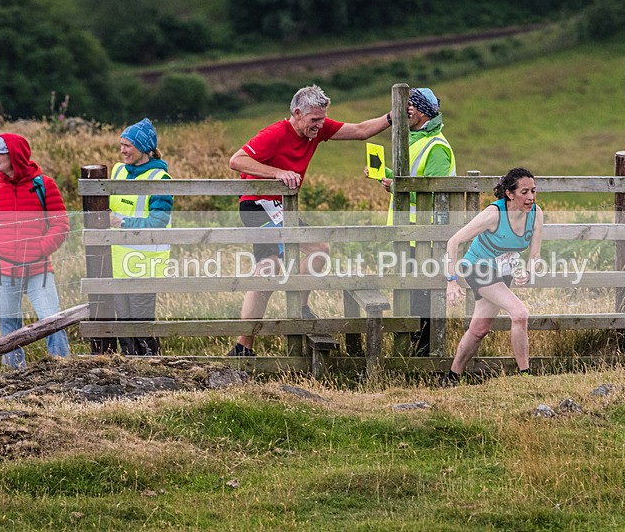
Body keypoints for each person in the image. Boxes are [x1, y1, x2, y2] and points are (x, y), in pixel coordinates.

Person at [228, 84, 392, 356]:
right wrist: (277, 173)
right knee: (289, 262)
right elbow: (237, 160)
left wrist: (391, 117)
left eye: (322, 119)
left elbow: (361, 130)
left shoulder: (318, 129)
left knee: (296, 260)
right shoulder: (274, 134)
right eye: (314, 119)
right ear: (297, 113)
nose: (319, 125)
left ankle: (284, 317)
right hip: (258, 206)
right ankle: (257, 337)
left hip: (282, 207)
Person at [0, 133, 71, 369]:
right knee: (9, 329)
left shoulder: (44, 185)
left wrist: (39, 249)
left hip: (39, 270)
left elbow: (61, 224)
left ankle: (64, 372)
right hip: (1, 270)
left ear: (16, 155)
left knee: (52, 320)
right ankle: (14, 377)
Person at [369, 87, 456, 356]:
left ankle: (424, 357)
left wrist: (395, 187)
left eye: (409, 107)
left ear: (420, 111)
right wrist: (384, 175)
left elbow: (435, 191)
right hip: (409, 234)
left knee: (423, 298)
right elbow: (408, 180)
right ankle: (410, 356)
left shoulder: (437, 147)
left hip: (426, 237)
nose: (404, 112)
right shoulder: (414, 139)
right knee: (410, 295)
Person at [442, 168, 543, 384]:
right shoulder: (494, 215)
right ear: (509, 194)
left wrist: (527, 272)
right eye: (524, 192)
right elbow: (453, 242)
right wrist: (451, 282)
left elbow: (535, 256)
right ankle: (525, 376)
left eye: (533, 191)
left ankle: (451, 377)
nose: (531, 197)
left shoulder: (536, 214)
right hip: (477, 268)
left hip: (501, 272)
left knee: (479, 329)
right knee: (520, 313)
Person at [109, 118, 173, 356]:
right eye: (121, 144)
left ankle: (152, 370)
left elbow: (158, 222)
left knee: (142, 323)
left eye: (128, 145)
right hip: (117, 261)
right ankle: (130, 371)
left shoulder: (160, 179)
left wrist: (121, 222)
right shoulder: (117, 171)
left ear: (144, 148)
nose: (123, 150)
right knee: (124, 323)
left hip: (143, 264)